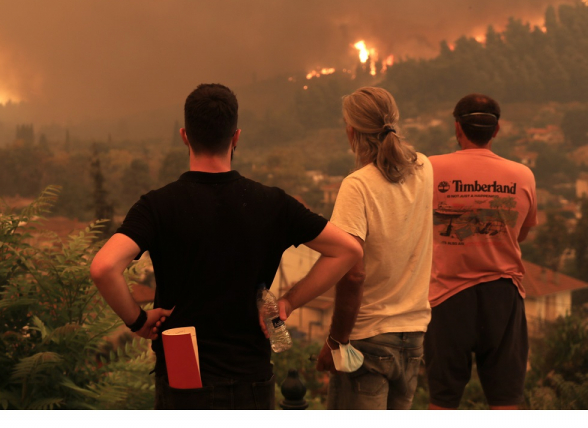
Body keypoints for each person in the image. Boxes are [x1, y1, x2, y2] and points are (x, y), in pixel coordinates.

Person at [90, 83, 362, 410]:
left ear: (184, 136)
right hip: (251, 379)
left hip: (182, 378)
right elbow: (348, 250)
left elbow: (104, 267)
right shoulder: (273, 203)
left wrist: (138, 321)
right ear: (236, 137)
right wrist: (289, 301)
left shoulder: (157, 206)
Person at [315, 87, 433, 410]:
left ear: (351, 131)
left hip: (367, 341)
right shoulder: (424, 169)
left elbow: (352, 275)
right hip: (413, 337)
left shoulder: (357, 186)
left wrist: (336, 342)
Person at [425, 94, 537, 410]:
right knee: (505, 401)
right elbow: (523, 232)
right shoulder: (523, 175)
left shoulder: (430, 169)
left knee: (442, 402)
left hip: (446, 297)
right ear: (496, 129)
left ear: (457, 128)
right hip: (503, 296)